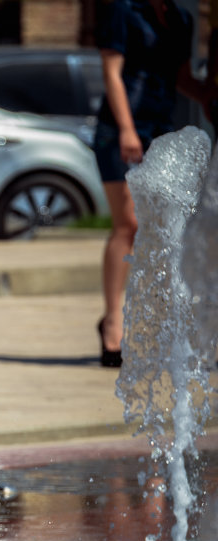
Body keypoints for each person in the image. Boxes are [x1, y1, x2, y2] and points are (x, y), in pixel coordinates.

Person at [94, 0, 212, 367]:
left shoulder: (180, 19)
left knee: (161, 229)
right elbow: (112, 73)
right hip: (121, 130)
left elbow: (178, 75)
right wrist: (128, 130)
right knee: (127, 224)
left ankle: (156, 323)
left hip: (162, 130)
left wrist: (207, 96)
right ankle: (113, 322)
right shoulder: (123, 10)